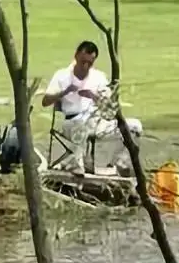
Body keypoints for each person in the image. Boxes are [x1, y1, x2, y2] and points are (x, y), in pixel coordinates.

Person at [41, 40, 143, 177]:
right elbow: (45, 101)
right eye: (83, 61)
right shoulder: (62, 75)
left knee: (134, 127)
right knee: (80, 126)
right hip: (72, 121)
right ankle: (76, 166)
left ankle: (120, 163)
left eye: (90, 63)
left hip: (96, 121)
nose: (85, 66)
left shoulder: (98, 77)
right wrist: (65, 91)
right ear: (76, 56)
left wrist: (93, 96)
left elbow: (109, 105)